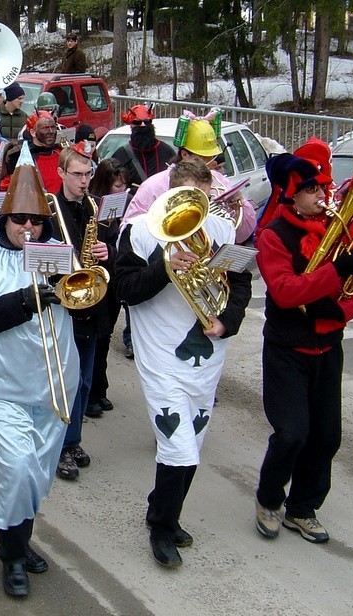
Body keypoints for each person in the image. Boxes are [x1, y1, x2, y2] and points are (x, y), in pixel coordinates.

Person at [0, 144, 79, 598]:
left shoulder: (57, 253)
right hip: (1, 387)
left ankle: (20, 540)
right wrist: (26, 301)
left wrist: (87, 280)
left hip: (52, 384)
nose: (29, 227)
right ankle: (10, 555)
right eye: (20, 219)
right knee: (17, 466)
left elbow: (86, 311)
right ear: (4, 219)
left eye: (37, 220)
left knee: (38, 473)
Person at [114, 173, 252, 568]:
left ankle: (162, 505)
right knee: (178, 444)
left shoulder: (223, 227)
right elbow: (125, 290)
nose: (198, 210)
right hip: (159, 352)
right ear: (169, 193)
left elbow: (240, 283)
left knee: (194, 438)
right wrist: (165, 265)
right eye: (189, 199)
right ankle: (162, 525)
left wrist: (228, 319)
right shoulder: (138, 232)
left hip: (207, 353)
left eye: (204, 200)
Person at [254, 152, 353, 545]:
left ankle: (303, 509)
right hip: (287, 349)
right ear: (291, 195)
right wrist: (336, 272)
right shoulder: (273, 234)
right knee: (291, 433)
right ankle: (269, 499)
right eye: (311, 189)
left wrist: (338, 310)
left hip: (327, 346)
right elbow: (286, 291)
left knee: (326, 437)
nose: (321, 194)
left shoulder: (340, 228)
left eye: (323, 186)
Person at [50, 146, 115, 480]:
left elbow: (110, 249)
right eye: (77, 174)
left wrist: (107, 249)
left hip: (92, 305)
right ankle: (58, 446)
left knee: (85, 381)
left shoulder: (93, 208)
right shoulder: (49, 209)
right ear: (61, 173)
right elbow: (38, 258)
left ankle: (73, 440)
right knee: (64, 381)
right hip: (63, 306)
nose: (84, 181)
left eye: (88, 174)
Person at [122, 113, 257, 244]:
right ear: (185, 154)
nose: (211, 162)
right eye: (203, 157)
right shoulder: (153, 185)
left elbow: (241, 235)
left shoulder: (220, 180)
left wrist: (241, 206)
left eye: (212, 157)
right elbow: (129, 234)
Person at [84, 158, 129, 418]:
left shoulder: (124, 210)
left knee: (104, 336)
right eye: (116, 187)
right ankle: (92, 392)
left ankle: (99, 389)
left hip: (113, 281)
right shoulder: (92, 208)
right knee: (96, 337)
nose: (121, 192)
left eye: (124, 187)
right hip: (96, 279)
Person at [110, 104, 174, 190]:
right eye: (137, 122)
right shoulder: (121, 155)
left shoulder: (166, 151)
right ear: (131, 126)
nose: (143, 125)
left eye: (147, 122)